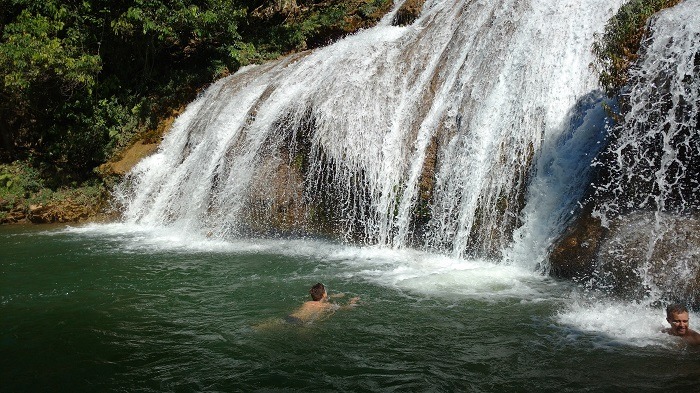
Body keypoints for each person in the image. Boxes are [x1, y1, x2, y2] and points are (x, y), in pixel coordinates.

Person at [285, 283, 359, 325]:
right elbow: (346, 308)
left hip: (290, 317)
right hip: (301, 322)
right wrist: (352, 301)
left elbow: (322, 298)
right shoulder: (325, 305)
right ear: (323, 294)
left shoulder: (307, 303)